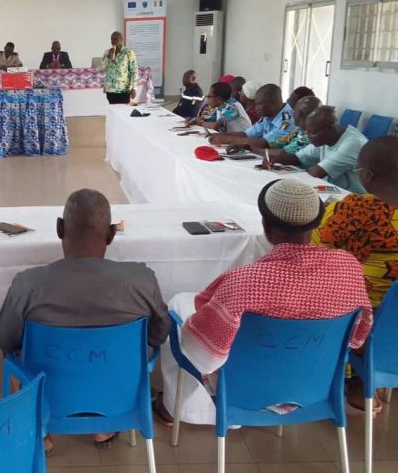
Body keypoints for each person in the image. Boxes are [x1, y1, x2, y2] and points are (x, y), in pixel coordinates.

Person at [154, 179, 373, 426]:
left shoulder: (245, 281)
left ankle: (178, 409)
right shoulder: (348, 267)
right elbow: (356, 338)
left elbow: (206, 359)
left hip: (241, 390)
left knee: (179, 305)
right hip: (316, 386)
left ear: (265, 226)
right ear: (317, 223)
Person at [0, 189, 170, 449]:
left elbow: (5, 339)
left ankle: (42, 431)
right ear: (111, 234)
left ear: (59, 228)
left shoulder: (28, 284)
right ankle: (104, 427)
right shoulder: (142, 281)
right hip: (119, 399)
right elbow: (158, 335)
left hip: (49, 397)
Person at [313, 137, 398, 307]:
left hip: (357, 313)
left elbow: (313, 257)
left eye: (358, 170)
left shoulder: (352, 209)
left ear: (368, 175)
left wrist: (327, 213)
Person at [262, 106, 368, 193]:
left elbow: (316, 173)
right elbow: (298, 157)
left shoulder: (352, 143)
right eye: (307, 132)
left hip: (358, 200)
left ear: (329, 129)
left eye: (312, 133)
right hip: (338, 193)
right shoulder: (325, 138)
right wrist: (277, 159)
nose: (308, 137)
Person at [210, 84, 295, 149]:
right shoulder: (268, 115)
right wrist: (221, 135)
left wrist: (227, 139)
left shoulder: (287, 122)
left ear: (273, 103)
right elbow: (246, 134)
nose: (256, 108)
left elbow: (264, 143)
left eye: (259, 104)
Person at [99, 31, 138, 104]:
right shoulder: (107, 52)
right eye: (112, 39)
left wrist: (134, 88)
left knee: (123, 109)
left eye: (116, 39)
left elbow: (134, 71)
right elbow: (101, 69)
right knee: (113, 109)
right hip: (110, 89)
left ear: (121, 39)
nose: (113, 41)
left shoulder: (128, 52)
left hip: (124, 90)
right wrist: (108, 57)